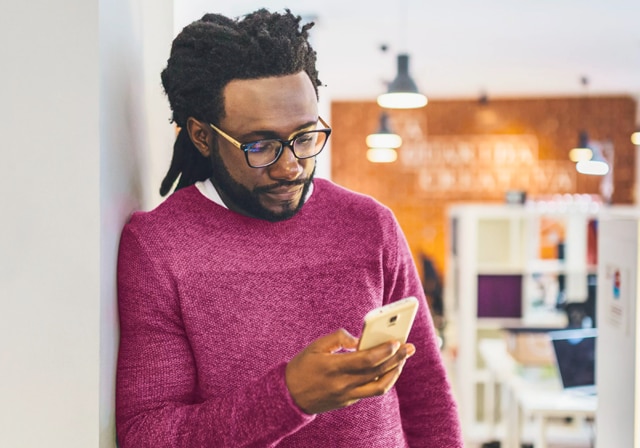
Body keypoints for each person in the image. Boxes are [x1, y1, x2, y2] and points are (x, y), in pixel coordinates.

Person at [116, 8, 462, 447]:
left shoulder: (371, 225)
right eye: (260, 145)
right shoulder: (158, 248)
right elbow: (148, 434)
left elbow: (426, 399)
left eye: (304, 137)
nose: (291, 167)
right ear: (203, 136)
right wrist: (288, 397)